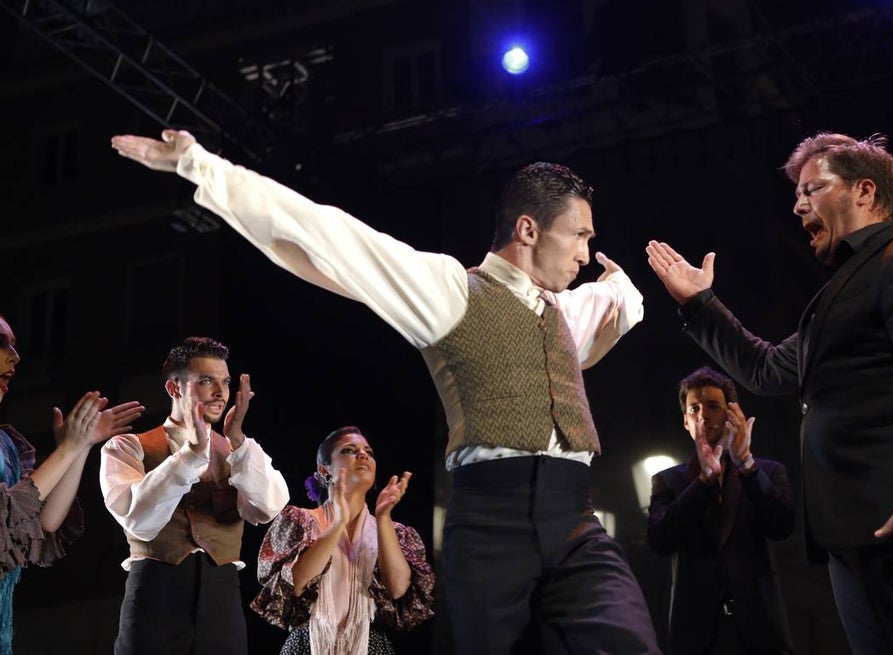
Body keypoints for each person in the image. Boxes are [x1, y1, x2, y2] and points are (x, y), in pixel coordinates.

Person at [109, 128, 660, 654]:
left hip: (574, 515)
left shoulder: (565, 309)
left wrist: (681, 299)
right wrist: (199, 165)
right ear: (528, 230)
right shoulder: (452, 291)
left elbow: (617, 302)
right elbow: (331, 237)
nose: (587, 255)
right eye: (581, 236)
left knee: (626, 637)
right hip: (494, 516)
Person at [646, 131, 893, 654]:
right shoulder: (840, 290)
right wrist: (700, 304)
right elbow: (766, 370)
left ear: (865, 192)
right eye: (797, 193)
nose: (797, 204)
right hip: (851, 531)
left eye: (812, 189)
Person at [99, 335, 291, 654]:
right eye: (206, 381)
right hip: (154, 597)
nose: (220, 393)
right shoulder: (129, 447)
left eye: (225, 382)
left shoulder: (237, 451)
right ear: (174, 388)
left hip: (221, 597)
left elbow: (268, 506)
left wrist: (239, 442)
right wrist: (192, 454)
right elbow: (137, 518)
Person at [0, 315, 143, 655]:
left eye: (15, 345)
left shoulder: (6, 445)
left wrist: (79, 447)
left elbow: (42, 520)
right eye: (2, 343)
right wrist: (65, 449)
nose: (15, 356)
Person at [647, 366, 794, 655]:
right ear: (685, 422)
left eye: (713, 406)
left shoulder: (767, 471)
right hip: (696, 634)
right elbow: (659, 539)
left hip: (761, 629)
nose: (703, 415)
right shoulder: (667, 480)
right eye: (694, 409)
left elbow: (783, 526)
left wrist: (747, 465)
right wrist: (704, 482)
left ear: (730, 414)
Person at [251, 425, 435, 654]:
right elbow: (296, 583)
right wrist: (338, 523)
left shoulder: (392, 531)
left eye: (368, 451)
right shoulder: (300, 520)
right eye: (349, 450)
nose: (363, 455)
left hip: (370, 646)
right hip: (308, 645)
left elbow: (398, 589)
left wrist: (383, 517)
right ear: (324, 470)